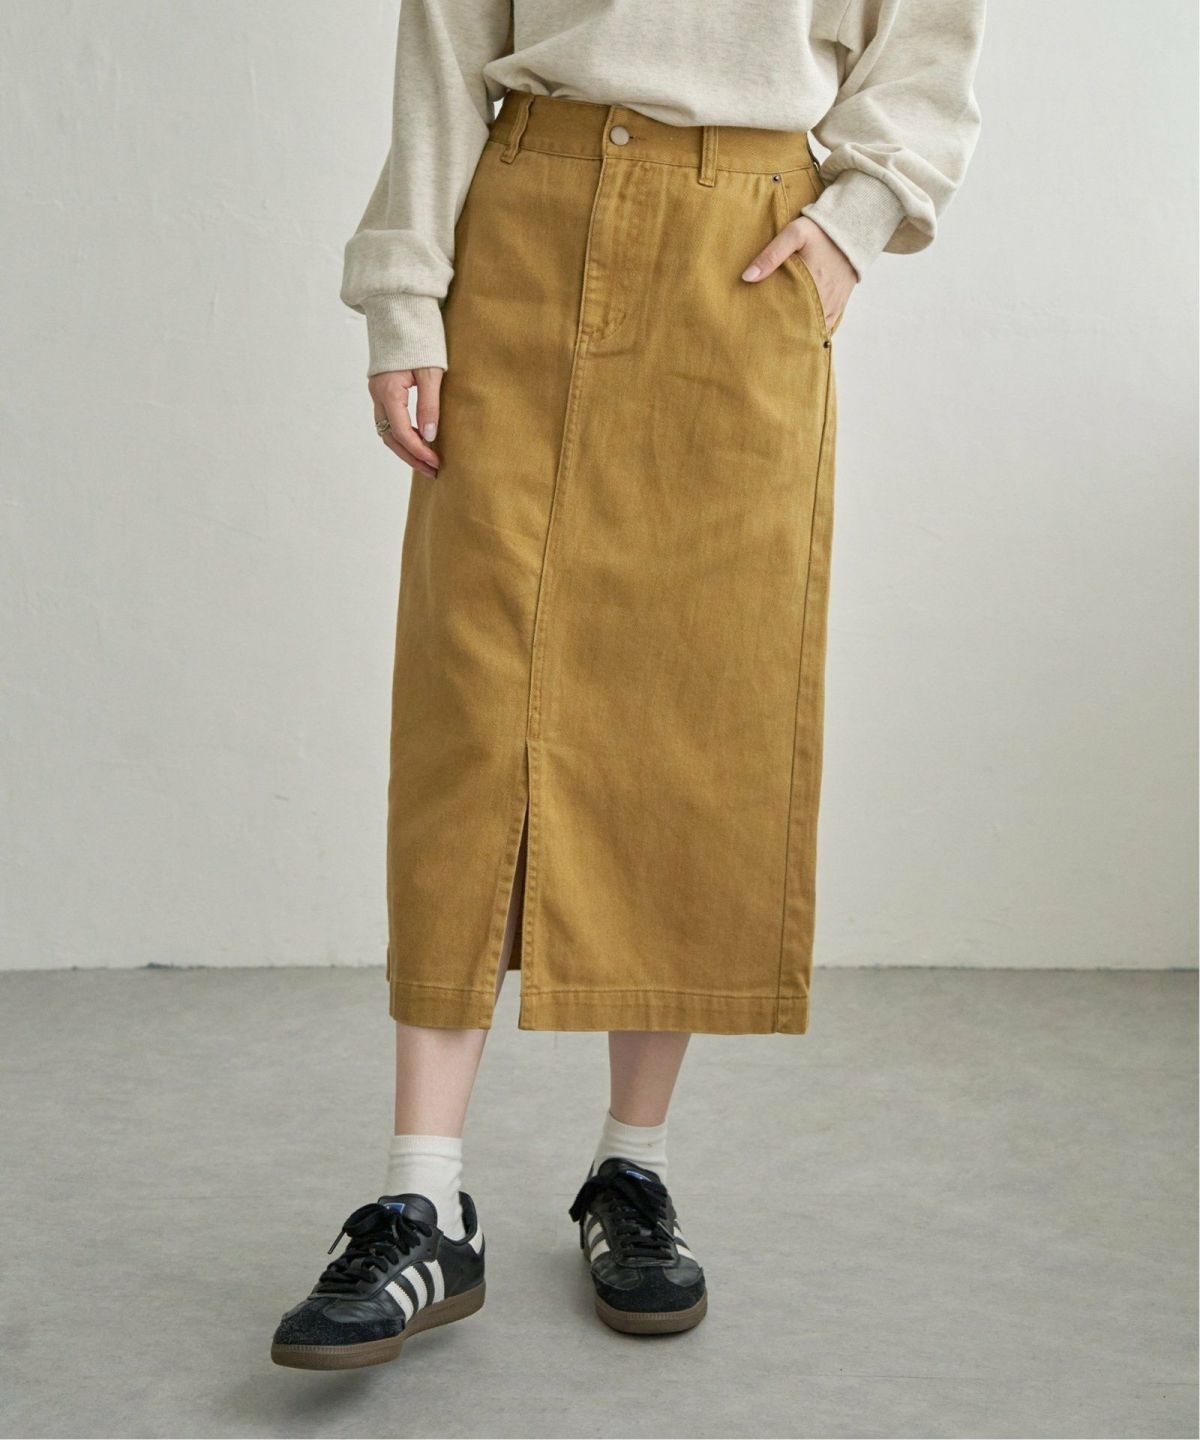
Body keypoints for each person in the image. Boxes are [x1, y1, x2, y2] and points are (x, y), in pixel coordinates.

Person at [271, 0, 984, 1370]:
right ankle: (422, 1197)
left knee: (693, 713)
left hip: (745, 253)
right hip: (522, 222)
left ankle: (631, 1170)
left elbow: (929, 40)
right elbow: (444, 41)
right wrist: (404, 292)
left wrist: (854, 222)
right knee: (470, 711)